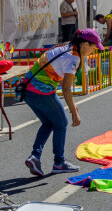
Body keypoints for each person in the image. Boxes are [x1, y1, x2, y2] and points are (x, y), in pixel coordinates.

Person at [23, 29, 104, 176]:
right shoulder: (74, 57)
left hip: (27, 90)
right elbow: (66, 88)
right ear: (86, 44)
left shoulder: (66, 46)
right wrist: (74, 112)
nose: (93, 51)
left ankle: (35, 157)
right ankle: (59, 162)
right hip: (41, 91)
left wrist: (73, 106)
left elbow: (62, 84)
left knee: (49, 123)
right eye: (93, 47)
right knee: (62, 123)